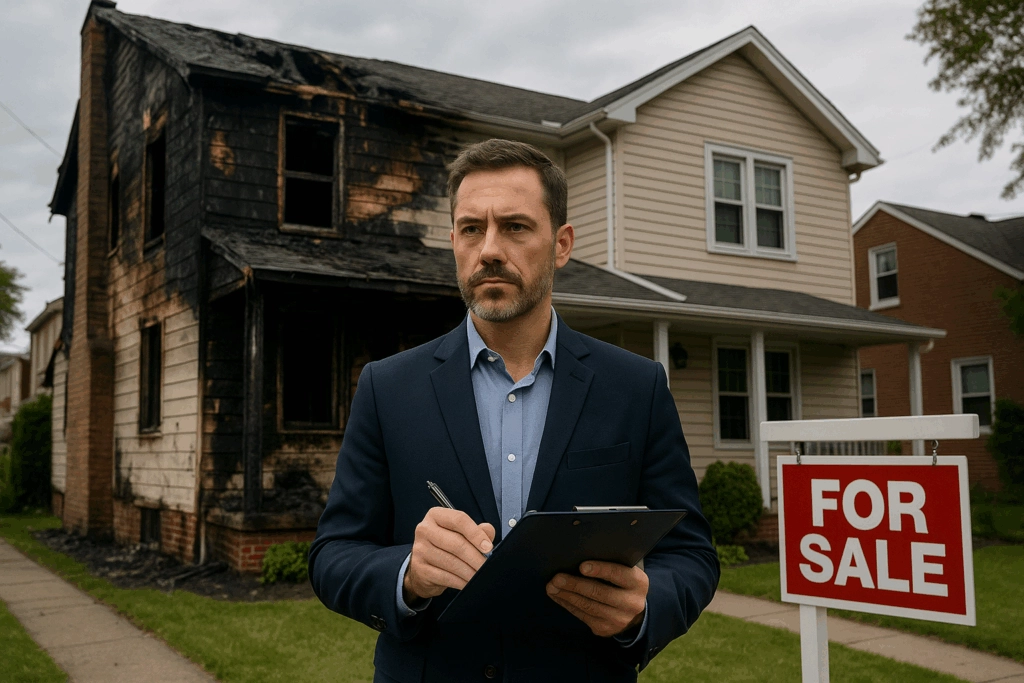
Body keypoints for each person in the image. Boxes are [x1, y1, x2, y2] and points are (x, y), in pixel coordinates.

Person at [309, 139, 719, 683]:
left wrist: (643, 609)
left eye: (517, 227)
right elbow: (334, 554)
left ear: (562, 243)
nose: (490, 249)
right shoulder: (387, 387)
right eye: (472, 228)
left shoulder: (635, 387)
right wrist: (407, 573)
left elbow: (691, 554)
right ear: (453, 240)